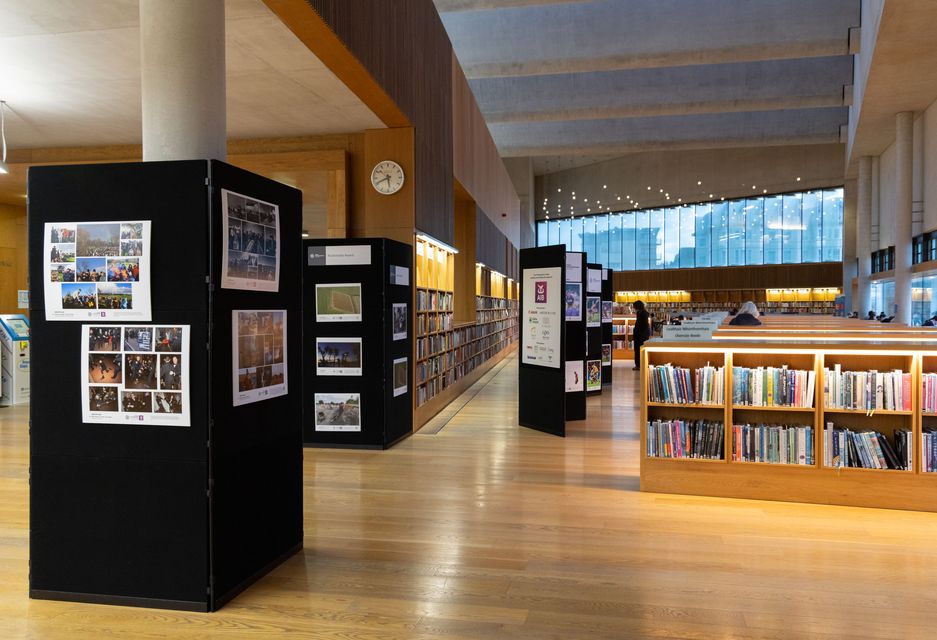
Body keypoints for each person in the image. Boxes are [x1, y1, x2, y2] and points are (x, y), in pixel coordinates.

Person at [632, 300, 651, 371]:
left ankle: (641, 365)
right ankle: (638, 365)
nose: (633, 308)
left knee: (640, 349)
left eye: (634, 306)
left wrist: (640, 332)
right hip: (638, 334)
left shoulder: (644, 313)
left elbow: (644, 324)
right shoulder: (639, 312)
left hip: (642, 334)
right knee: (637, 350)